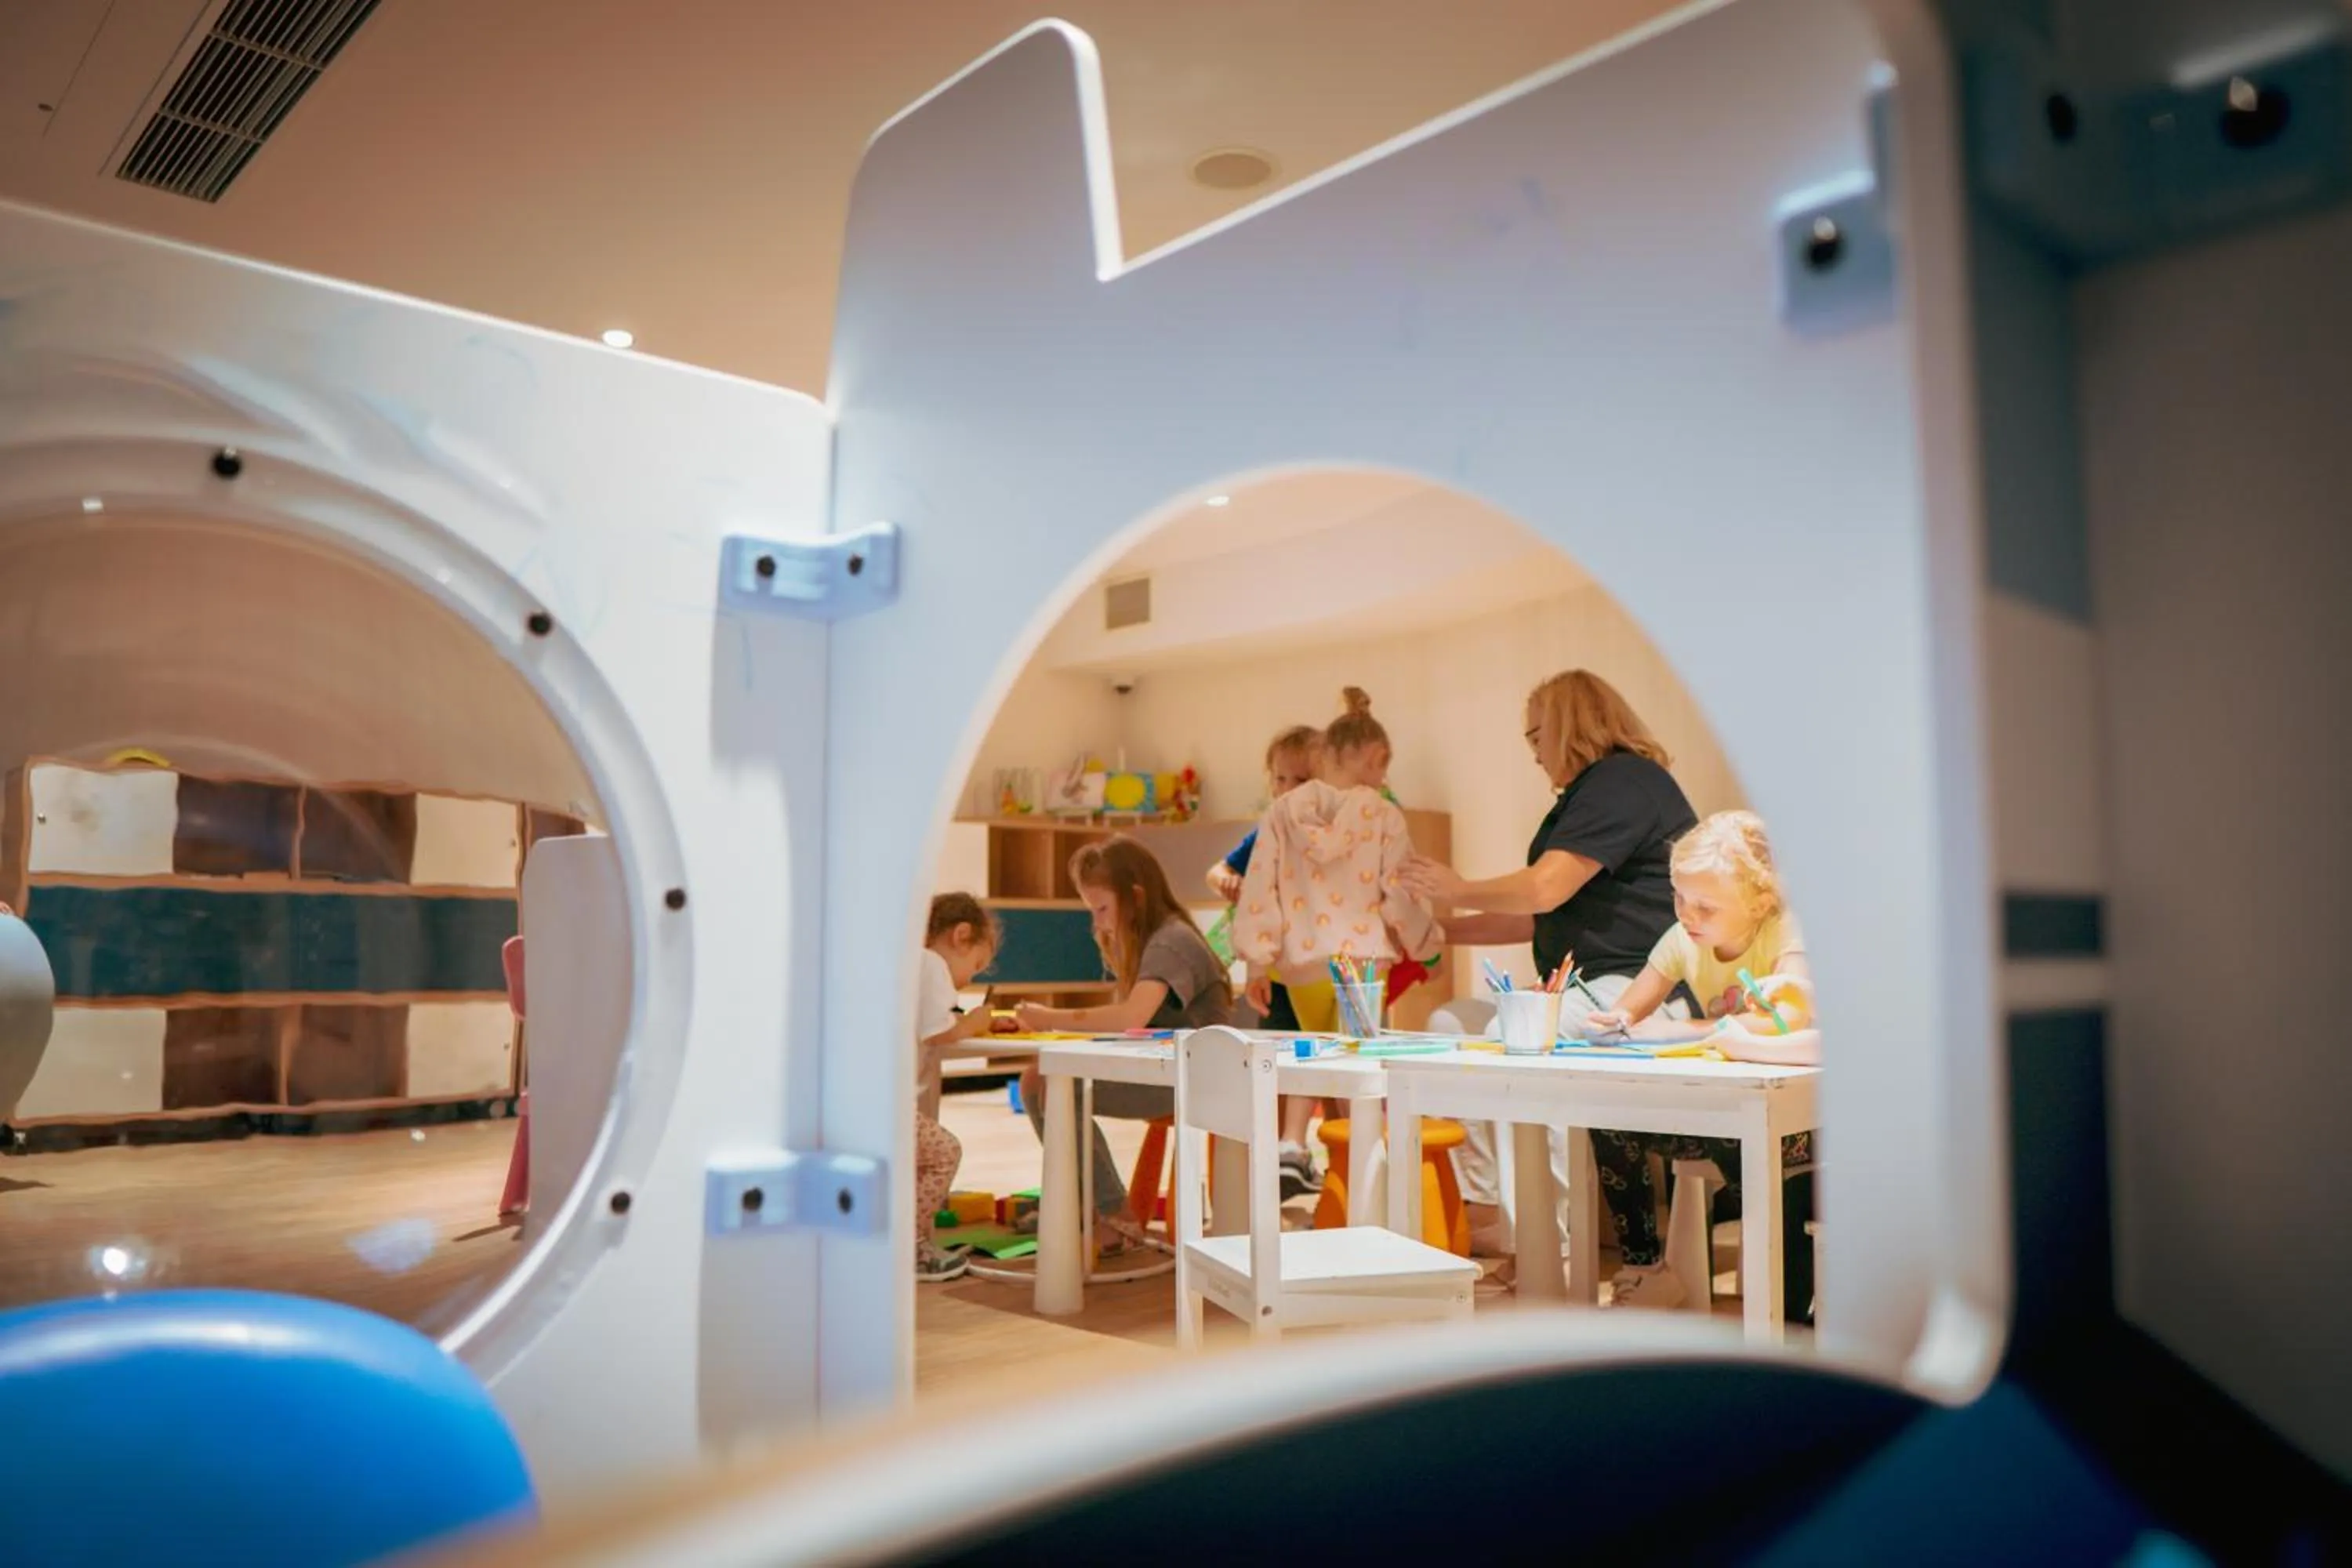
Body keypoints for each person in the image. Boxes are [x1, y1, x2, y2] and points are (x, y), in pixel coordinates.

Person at [1399, 669, 1697, 1259]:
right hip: (1591, 983)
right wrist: (1439, 934)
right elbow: (1538, 915)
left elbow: (1542, 889)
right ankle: (1492, 1208)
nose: (1534, 754)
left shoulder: (1623, 780)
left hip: (1640, 986)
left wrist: (1456, 890)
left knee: (1514, 1034)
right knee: (1450, 1024)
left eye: (1537, 736)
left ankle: (1548, 1239)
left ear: (1568, 727)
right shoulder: (1590, 795)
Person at [1578, 810, 1819, 1306]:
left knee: (1752, 1144)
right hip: (1721, 1113)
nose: (1687, 916)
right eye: (1678, 899)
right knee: (1610, 1121)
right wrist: (1614, 1020)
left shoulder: (1785, 932)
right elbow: (1631, 1006)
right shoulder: (1682, 938)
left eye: (1705, 907)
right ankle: (1645, 1269)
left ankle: (1786, 1305)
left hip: (1794, 1121)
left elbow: (1788, 1019)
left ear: (1759, 903)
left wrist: (1687, 1029)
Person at [1014, 837, 1231, 1249]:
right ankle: (1084, 1205)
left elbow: (1130, 1018)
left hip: (1194, 1078)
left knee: (1056, 1086)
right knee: (1035, 1080)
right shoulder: (1149, 939)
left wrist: (1050, 1019)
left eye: (1102, 909)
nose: (1098, 922)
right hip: (1166, 1069)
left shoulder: (1170, 942)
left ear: (1135, 898)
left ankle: (1115, 1214)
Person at [1207, 724, 1325, 1195]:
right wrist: (1227, 881)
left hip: (1316, 968)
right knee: (1277, 1052)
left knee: (1312, 1052)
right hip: (1274, 966)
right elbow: (1219, 870)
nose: (1287, 790)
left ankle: (1294, 1147)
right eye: (1280, 779)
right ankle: (1280, 1151)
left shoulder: (1327, 833)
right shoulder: (1267, 831)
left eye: (1301, 780)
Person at [914, 894, 1003, 1283]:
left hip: (870, 1099)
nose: (970, 979)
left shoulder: (911, 963)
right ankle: (912, 1247)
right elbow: (939, 1033)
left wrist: (970, 1023)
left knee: (918, 1160)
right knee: (944, 1153)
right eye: (976, 965)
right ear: (961, 936)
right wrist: (976, 1022)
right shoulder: (932, 964)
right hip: (886, 1106)